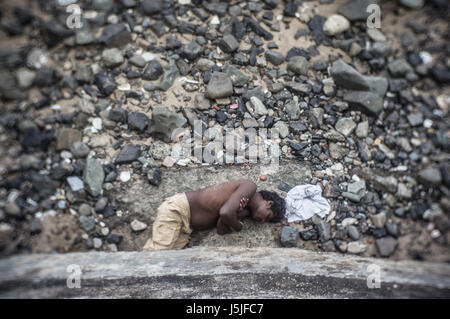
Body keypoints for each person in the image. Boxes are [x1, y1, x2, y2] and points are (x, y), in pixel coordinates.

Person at [143, 179, 285, 251]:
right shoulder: (249, 187)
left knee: (168, 262)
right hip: (178, 211)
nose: (262, 221)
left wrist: (235, 215)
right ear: (268, 204)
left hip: (186, 229)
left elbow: (221, 230)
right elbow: (225, 212)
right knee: (155, 257)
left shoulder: (245, 211)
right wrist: (236, 223)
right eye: (267, 216)